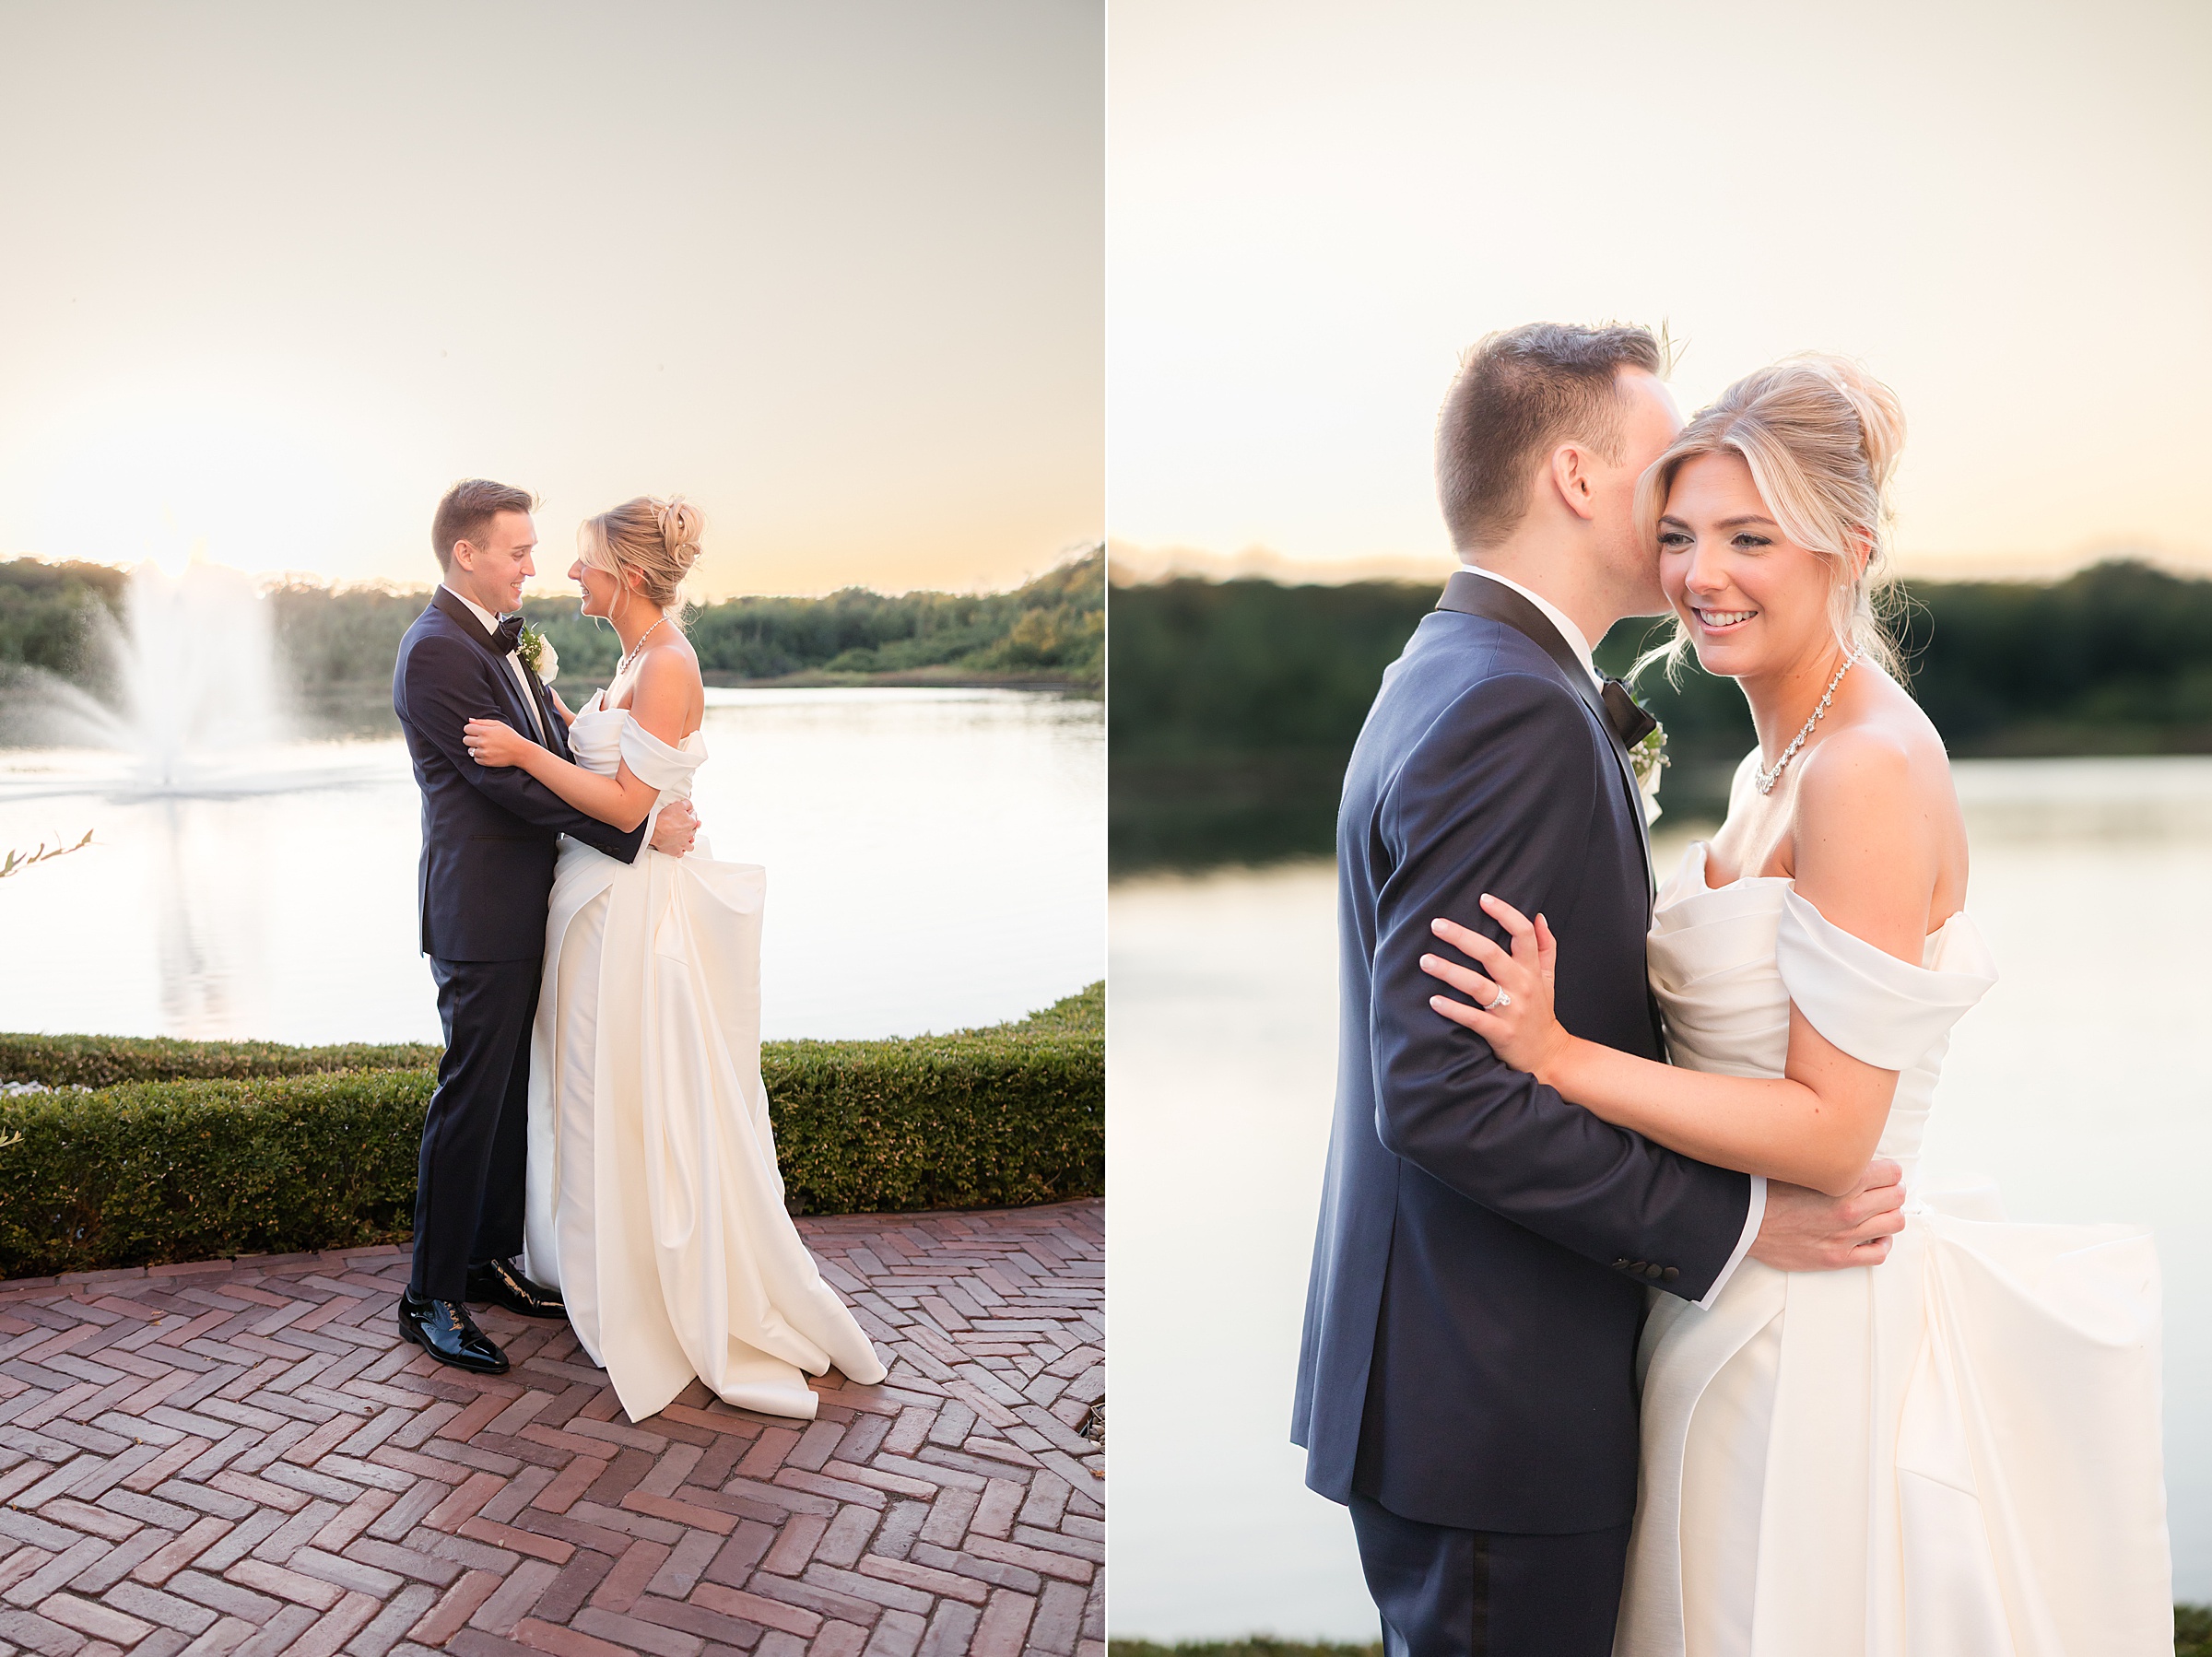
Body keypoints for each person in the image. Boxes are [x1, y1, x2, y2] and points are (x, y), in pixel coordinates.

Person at [1419, 357, 2171, 1652]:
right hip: (1728, 1294)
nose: (1702, 575)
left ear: (1849, 548)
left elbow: (1834, 1132)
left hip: (1816, 1332)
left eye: (1750, 537)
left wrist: (1554, 1055)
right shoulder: (1780, 758)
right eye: (1679, 536)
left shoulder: (1867, 771)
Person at [1292, 324, 1909, 1657]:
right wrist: (1733, 1226)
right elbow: (1445, 1090)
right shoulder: (1509, 706)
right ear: (1578, 477)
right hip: (1493, 1398)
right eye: (1662, 477)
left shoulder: (1455, 669)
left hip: (1470, 1379)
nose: (1683, 512)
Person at [461, 495, 886, 1421]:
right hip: (600, 906)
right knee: (594, 1098)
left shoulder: (670, 663)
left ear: (631, 576)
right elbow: (631, 785)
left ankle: (656, 1289)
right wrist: (547, 706)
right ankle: (605, 1267)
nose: (570, 573)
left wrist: (521, 756)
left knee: (636, 1100)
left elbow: (620, 807)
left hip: (634, 921)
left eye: (583, 561)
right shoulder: (635, 659)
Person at [393, 479, 700, 1376]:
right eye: (519, 550)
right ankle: (430, 1295)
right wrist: (636, 830)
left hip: (537, 905)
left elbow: (553, 752)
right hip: (480, 912)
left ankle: (488, 1263)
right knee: (470, 1094)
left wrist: (623, 780)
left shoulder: (505, 643)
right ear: (468, 554)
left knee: (511, 1095)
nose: (535, 565)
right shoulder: (437, 652)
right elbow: (506, 785)